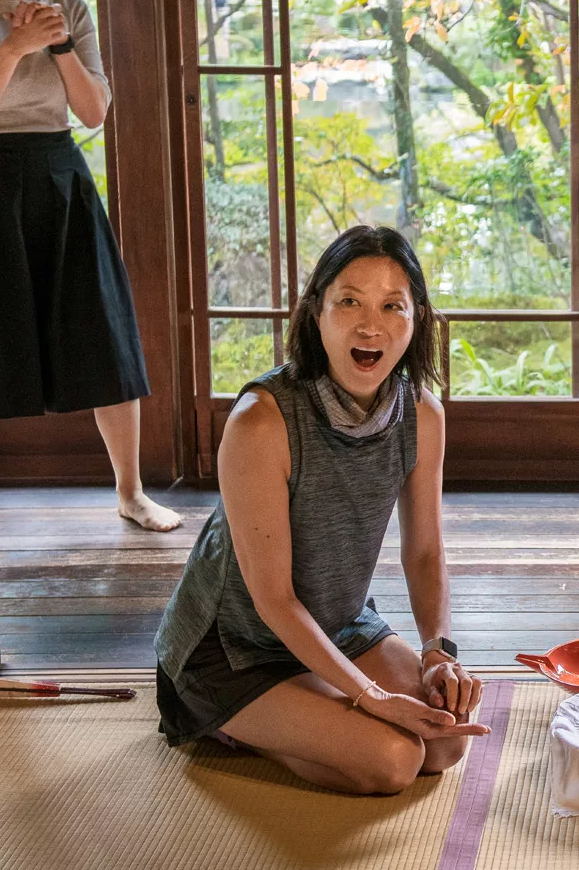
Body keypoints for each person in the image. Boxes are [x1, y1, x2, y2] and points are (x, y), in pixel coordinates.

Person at [154, 226, 488, 794]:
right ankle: (237, 723)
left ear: (419, 319)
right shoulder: (261, 421)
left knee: (446, 739)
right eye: (349, 301)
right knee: (392, 762)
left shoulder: (421, 415)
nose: (369, 324)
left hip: (338, 626)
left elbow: (425, 552)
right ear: (315, 313)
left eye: (392, 306)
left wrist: (438, 652)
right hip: (235, 649)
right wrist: (371, 696)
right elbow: (273, 601)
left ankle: (315, 701)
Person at [0, 0, 178, 531]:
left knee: (106, 333)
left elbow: (95, 112)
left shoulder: (69, 5)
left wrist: (57, 45)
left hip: (59, 177)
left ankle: (131, 492)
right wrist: (14, 47)